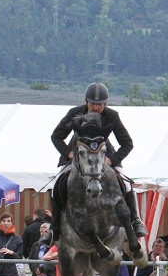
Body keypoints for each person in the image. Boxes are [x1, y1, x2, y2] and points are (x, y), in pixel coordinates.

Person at [50, 82, 146, 241]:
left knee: (127, 184)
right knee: (55, 187)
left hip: (104, 156)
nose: (96, 107)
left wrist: (112, 160)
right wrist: (69, 154)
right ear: (86, 101)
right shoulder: (74, 113)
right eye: (93, 104)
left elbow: (127, 143)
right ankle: (54, 228)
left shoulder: (112, 116)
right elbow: (56, 136)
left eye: (100, 105)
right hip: (77, 157)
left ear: (106, 104)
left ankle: (135, 220)